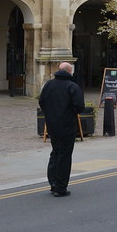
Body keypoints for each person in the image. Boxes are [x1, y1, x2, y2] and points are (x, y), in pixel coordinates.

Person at [38, 62, 84, 197]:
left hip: (52, 124)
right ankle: (60, 187)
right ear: (70, 71)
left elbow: (41, 101)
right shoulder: (72, 86)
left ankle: (53, 183)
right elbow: (79, 106)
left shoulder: (49, 85)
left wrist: (50, 113)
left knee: (55, 152)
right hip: (67, 124)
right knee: (64, 155)